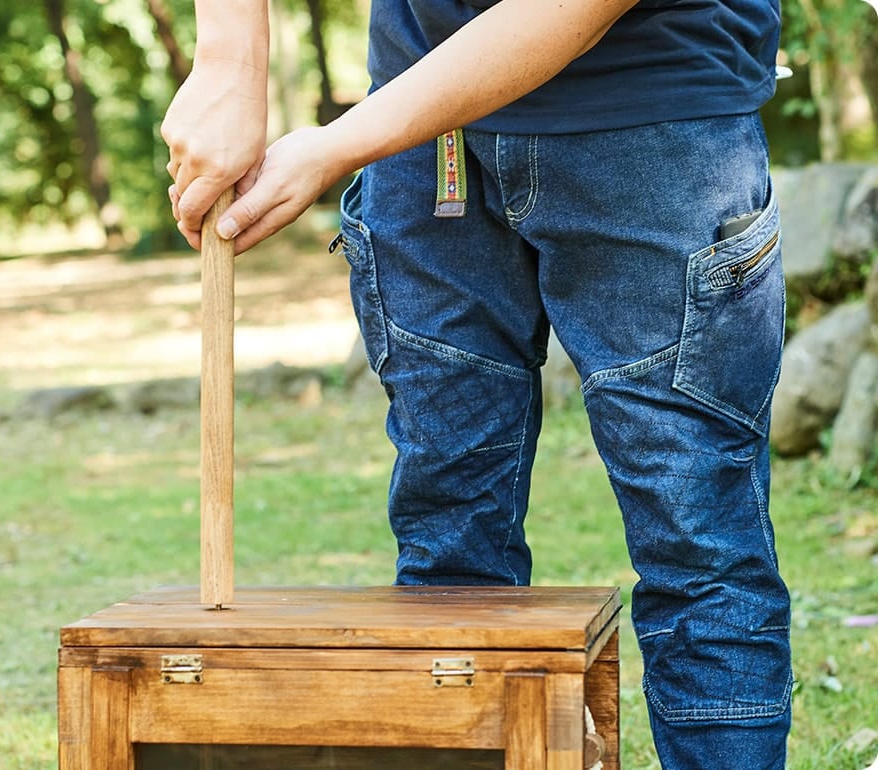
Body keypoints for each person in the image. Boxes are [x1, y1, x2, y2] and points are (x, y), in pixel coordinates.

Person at [161, 0, 793, 767]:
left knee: (699, 545)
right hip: (424, 140)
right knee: (450, 539)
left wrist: (337, 145)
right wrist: (230, 58)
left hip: (652, 113)